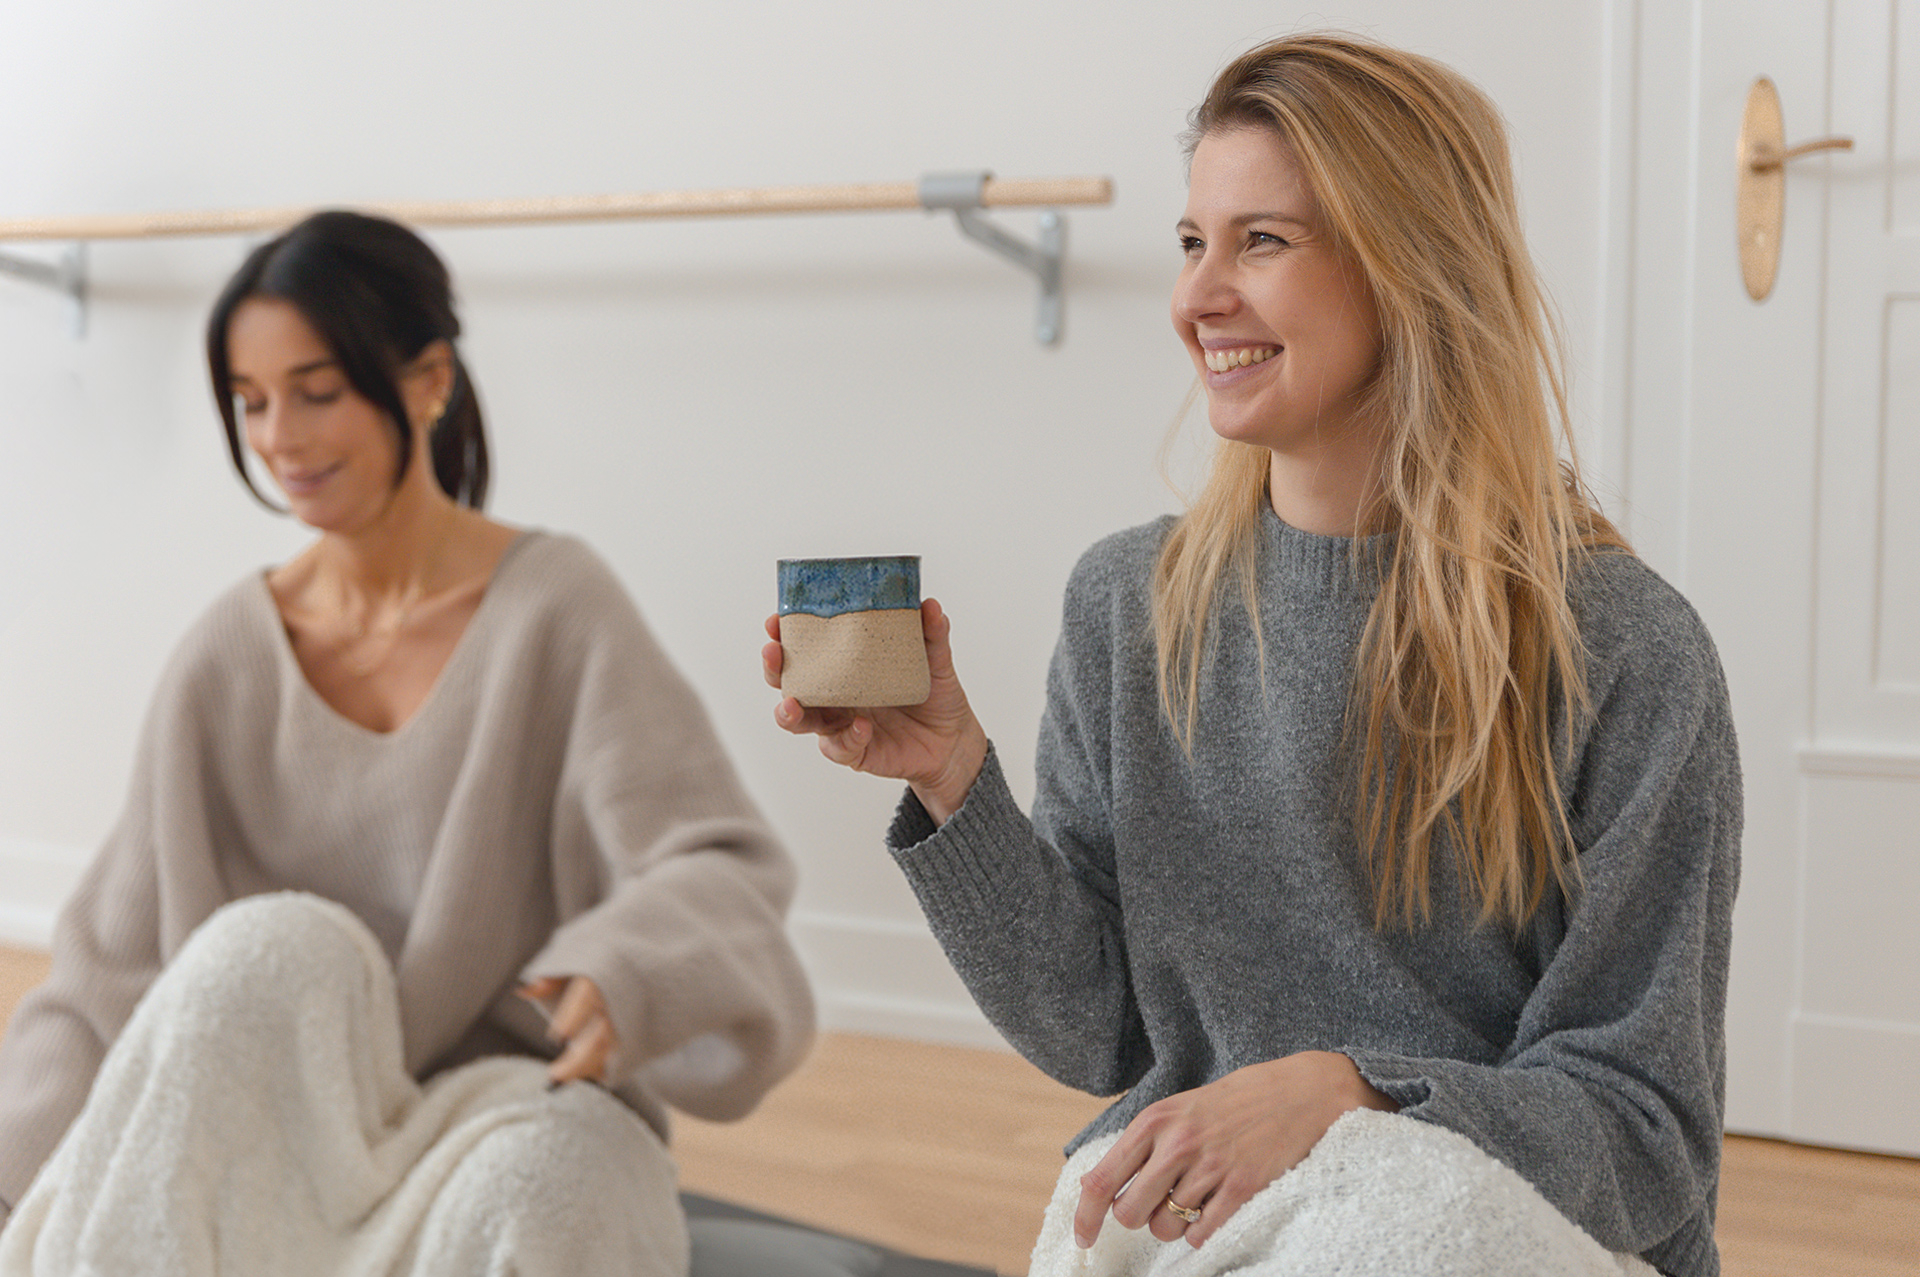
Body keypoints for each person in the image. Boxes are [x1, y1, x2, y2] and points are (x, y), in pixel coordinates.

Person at [764, 33, 1737, 1277]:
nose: (1196, 296)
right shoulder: (1130, 606)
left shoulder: (1626, 649)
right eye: (1191, 243)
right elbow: (1101, 1032)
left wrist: (1350, 1097)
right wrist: (956, 782)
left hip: (1499, 1233)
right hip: (1201, 1214)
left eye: (1260, 242)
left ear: (1413, 265)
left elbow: (1647, 1128)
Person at [0, 210, 814, 1275]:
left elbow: (713, 861)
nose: (279, 437)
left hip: (507, 1106)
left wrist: (627, 967)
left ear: (429, 379)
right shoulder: (225, 657)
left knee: (550, 1198)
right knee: (270, 949)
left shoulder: (556, 610)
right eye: (250, 402)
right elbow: (107, 978)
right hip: (273, 1126)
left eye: (317, 390)